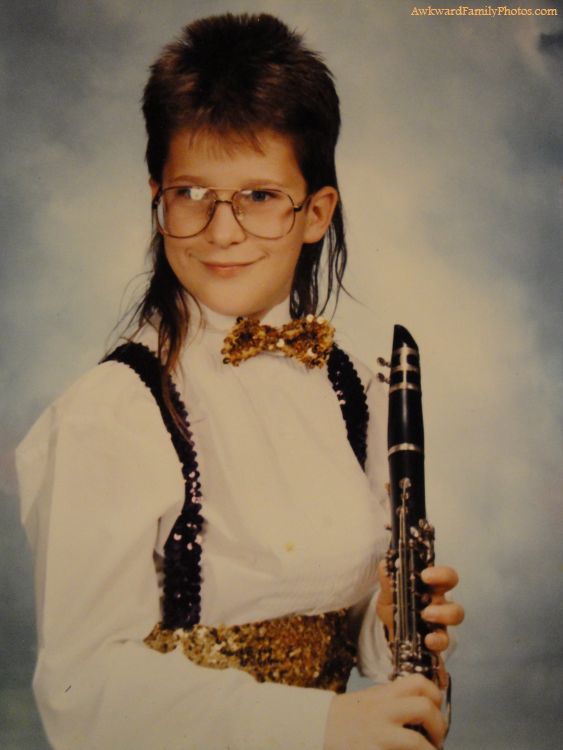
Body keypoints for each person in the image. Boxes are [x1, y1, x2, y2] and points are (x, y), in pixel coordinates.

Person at [17, 12, 464, 750]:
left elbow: (348, 644)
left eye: (258, 196)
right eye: (193, 193)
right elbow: (81, 691)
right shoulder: (112, 413)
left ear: (315, 212)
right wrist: (322, 724)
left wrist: (392, 626)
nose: (221, 232)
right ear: (157, 197)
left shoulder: (354, 387)